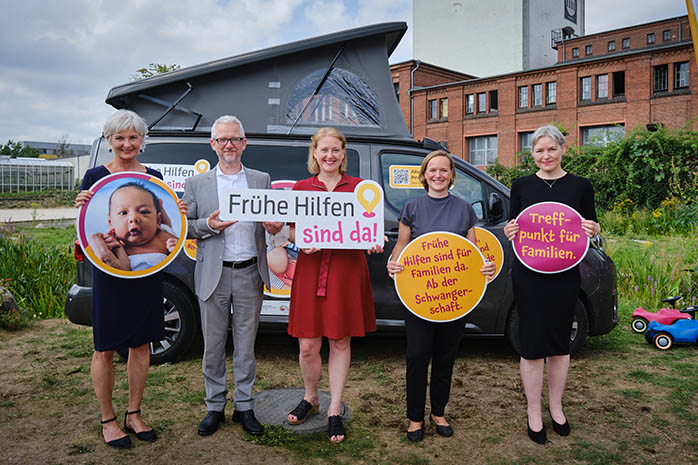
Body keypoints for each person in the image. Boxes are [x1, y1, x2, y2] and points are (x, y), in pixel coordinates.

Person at [75, 109, 186, 449]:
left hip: (147, 277)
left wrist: (177, 212)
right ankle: (108, 419)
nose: (126, 144)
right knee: (104, 348)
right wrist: (79, 204)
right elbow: (86, 223)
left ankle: (134, 413)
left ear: (142, 141)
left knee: (141, 345)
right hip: (110, 277)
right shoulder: (95, 176)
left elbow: (166, 219)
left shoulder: (152, 176)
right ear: (109, 140)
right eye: (119, 138)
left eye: (133, 137)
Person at [386, 150, 496, 443]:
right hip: (419, 298)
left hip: (454, 297)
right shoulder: (412, 207)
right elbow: (401, 247)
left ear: (451, 175)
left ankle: (438, 413)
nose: (438, 175)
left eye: (444, 170)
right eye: (432, 170)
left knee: (446, 357)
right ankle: (414, 418)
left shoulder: (464, 209)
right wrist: (392, 263)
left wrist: (486, 265)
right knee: (417, 356)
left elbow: (475, 254)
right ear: (424, 175)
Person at [182, 115, 282, 437]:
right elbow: (188, 228)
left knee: (245, 346)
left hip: (250, 273)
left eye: (235, 139)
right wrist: (209, 226)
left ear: (244, 143)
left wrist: (274, 227)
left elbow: (273, 224)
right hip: (214, 274)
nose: (229, 145)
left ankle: (244, 406)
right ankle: (214, 407)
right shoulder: (198, 183)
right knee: (212, 346)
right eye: (222, 139)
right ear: (213, 145)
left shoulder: (260, 179)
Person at [502, 125, 600, 445]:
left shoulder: (581, 186)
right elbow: (514, 225)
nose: (545, 156)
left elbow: (591, 226)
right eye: (539, 151)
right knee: (531, 343)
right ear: (532, 154)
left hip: (564, 275)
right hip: (529, 275)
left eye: (551, 149)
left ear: (562, 150)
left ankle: (556, 407)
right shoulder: (521, 186)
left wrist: (593, 228)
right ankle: (533, 411)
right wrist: (510, 231)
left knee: (560, 343)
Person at [285, 127, 382, 443]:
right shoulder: (301, 188)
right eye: (323, 150)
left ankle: (334, 409)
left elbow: (369, 229)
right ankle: (311, 397)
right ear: (314, 153)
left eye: (335, 150)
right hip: (311, 270)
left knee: (340, 340)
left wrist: (374, 242)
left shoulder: (360, 188)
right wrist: (301, 240)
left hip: (345, 272)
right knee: (307, 345)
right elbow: (291, 232)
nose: (329, 156)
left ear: (344, 154)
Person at [88, 182, 179, 271]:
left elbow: (181, 258)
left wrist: (176, 247)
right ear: (110, 222)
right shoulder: (111, 246)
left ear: (158, 220)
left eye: (143, 212)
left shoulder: (164, 237)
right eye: (123, 213)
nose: (134, 218)